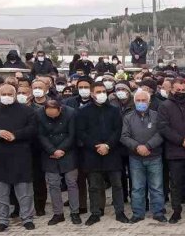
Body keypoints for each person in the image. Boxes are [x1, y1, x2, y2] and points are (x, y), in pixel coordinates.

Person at [0, 83, 38, 231]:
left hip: (21, 155)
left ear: (15, 95)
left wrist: (16, 135)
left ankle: (27, 218)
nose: (6, 97)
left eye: (9, 94)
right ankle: (2, 220)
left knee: (25, 191)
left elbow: (33, 129)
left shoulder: (27, 111)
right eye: (3, 94)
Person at [75, 82, 129, 225]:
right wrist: (96, 146)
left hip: (112, 152)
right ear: (92, 94)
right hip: (92, 153)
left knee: (117, 184)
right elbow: (81, 132)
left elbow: (117, 130)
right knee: (94, 186)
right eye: (98, 91)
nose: (102, 94)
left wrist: (107, 145)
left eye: (104, 91)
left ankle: (120, 212)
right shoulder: (83, 111)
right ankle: (95, 212)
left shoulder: (114, 110)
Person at [157, 78, 185, 223]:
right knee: (176, 184)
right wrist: (181, 141)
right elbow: (163, 127)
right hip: (174, 151)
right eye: (178, 90)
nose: (181, 93)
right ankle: (176, 211)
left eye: (183, 90)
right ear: (172, 90)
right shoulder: (165, 106)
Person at [122, 88, 165, 223]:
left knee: (157, 187)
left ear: (149, 101)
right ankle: (138, 213)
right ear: (134, 102)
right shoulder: (128, 117)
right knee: (137, 187)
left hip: (154, 156)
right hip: (135, 158)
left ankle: (158, 212)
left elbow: (161, 133)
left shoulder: (157, 116)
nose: (141, 103)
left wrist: (148, 146)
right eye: (138, 100)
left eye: (144, 100)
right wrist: (137, 147)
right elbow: (124, 136)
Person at [37, 98, 81, 225]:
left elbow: (72, 134)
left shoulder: (71, 113)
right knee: (53, 183)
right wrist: (52, 150)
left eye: (54, 115)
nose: (52, 118)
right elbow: (41, 135)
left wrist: (61, 149)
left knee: (71, 183)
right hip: (49, 153)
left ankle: (75, 212)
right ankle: (58, 213)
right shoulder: (39, 114)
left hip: (68, 151)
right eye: (49, 115)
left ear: (60, 109)